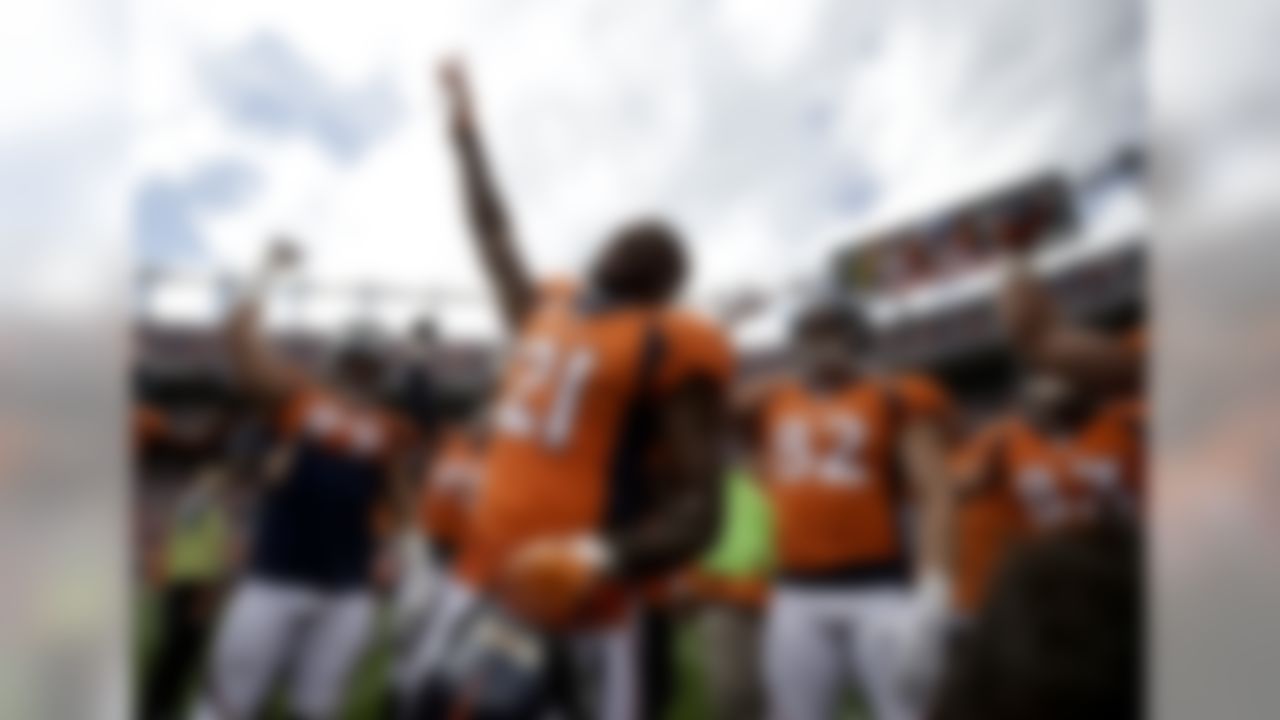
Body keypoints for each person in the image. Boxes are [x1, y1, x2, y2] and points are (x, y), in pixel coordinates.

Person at [405, 60, 733, 720]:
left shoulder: (670, 341)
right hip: (476, 573)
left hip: (580, 600)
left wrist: (596, 555)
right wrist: (465, 133)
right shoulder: (547, 306)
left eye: (663, 249)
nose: (644, 237)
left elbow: (702, 509)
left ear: (670, 288)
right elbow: (492, 230)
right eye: (632, 233)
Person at [189, 242, 419, 720]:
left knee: (317, 708)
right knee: (228, 704)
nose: (362, 371)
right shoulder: (297, 394)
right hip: (277, 577)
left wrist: (413, 556)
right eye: (357, 360)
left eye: (370, 364)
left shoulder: (390, 428)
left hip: (349, 589)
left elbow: (399, 503)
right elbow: (239, 340)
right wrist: (264, 272)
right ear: (338, 359)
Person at [737, 300, 955, 720]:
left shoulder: (896, 394)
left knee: (906, 711)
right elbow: (717, 416)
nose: (820, 342)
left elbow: (935, 491)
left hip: (878, 587)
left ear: (856, 335)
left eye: (831, 329)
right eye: (811, 331)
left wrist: (934, 588)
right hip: (796, 590)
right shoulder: (771, 400)